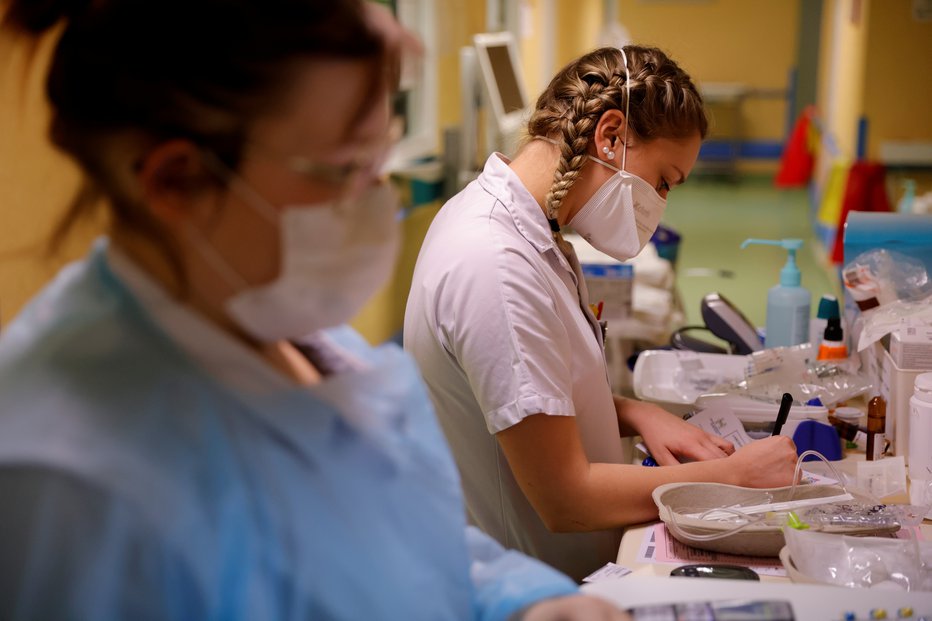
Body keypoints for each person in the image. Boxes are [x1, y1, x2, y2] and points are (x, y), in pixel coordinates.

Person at [0, 2, 631, 618]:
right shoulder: (70, 486)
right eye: (344, 169)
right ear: (176, 181)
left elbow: (397, 536)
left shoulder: (291, 332)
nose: (374, 199)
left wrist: (528, 601)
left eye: (379, 156)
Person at [404, 45, 799, 581]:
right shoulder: (495, 265)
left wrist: (635, 412)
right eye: (663, 180)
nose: (660, 202)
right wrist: (730, 477)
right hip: (530, 589)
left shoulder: (532, 231)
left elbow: (528, 392)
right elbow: (566, 499)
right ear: (610, 136)